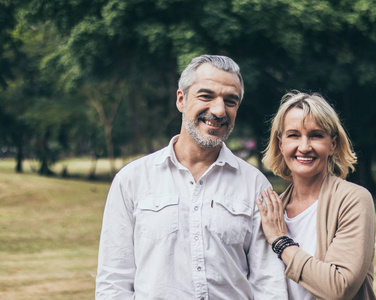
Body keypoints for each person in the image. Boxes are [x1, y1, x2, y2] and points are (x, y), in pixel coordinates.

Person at [95, 55, 288, 299]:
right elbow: (114, 281)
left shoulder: (254, 184)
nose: (219, 110)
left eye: (230, 101)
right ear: (181, 99)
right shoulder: (131, 180)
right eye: (206, 96)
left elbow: (268, 281)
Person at [256, 91, 376, 300]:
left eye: (316, 135)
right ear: (280, 143)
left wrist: (280, 241)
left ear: (333, 144)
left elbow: (339, 287)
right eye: (293, 135)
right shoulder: (273, 210)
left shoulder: (353, 200)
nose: (304, 147)